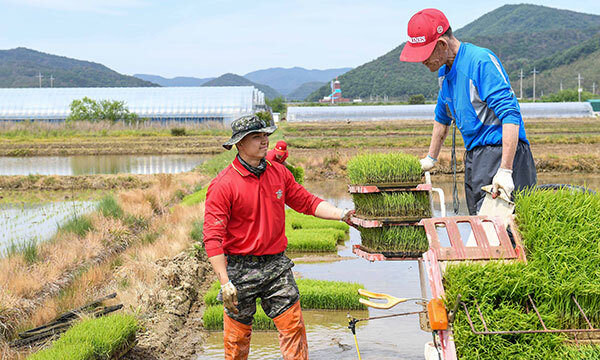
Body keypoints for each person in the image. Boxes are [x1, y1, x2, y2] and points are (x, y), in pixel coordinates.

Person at [202, 114, 355, 360]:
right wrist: (224, 281)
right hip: (240, 269)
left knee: (293, 326)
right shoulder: (223, 184)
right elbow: (212, 236)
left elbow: (306, 202)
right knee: (237, 338)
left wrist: (343, 214)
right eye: (257, 137)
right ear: (240, 143)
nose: (265, 141)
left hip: (276, 265)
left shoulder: (278, 173)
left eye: (265, 136)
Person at [399, 8, 536, 215]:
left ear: (442, 45)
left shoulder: (479, 62)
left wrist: (506, 170)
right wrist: (431, 158)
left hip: (502, 152)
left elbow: (510, 114)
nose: (422, 61)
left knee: (505, 230)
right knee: (479, 223)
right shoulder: (445, 74)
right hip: (475, 157)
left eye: (425, 54)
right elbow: (442, 116)